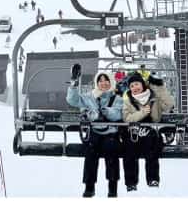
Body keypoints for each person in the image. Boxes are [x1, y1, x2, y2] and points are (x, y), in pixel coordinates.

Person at [67, 65, 123, 197]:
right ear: (97, 83)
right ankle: (89, 186)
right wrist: (74, 85)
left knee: (111, 151)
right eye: (100, 81)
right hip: (95, 133)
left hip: (111, 133)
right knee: (91, 152)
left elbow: (119, 114)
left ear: (110, 82)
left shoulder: (117, 99)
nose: (103, 83)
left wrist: (106, 112)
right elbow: (73, 100)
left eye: (106, 80)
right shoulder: (90, 97)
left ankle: (112, 187)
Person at [122, 71, 174, 190]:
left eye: (136, 84)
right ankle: (131, 182)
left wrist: (159, 86)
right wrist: (141, 113)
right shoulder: (128, 101)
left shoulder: (154, 98)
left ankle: (153, 179)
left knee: (153, 147)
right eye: (132, 86)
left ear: (142, 84)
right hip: (134, 133)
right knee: (129, 149)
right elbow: (127, 118)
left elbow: (169, 104)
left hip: (151, 132)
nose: (135, 88)